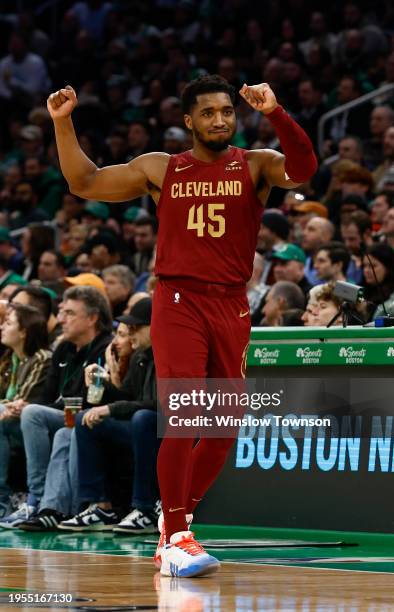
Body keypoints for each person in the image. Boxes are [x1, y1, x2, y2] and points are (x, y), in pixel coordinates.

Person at [47, 74, 317, 577]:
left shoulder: (254, 164)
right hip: (178, 299)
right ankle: (176, 535)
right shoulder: (162, 168)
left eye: (227, 112)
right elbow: (84, 182)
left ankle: (175, 527)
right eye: (209, 113)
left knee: (223, 428)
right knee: (188, 415)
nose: (220, 120)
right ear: (188, 121)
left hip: (232, 305)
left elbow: (303, 168)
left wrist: (276, 113)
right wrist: (63, 124)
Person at [0, 286, 112, 528]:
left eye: (70, 313)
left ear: (92, 318)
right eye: (61, 312)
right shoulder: (63, 348)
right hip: (63, 415)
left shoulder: (105, 348)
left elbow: (99, 397)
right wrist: (25, 404)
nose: (61, 319)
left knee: (54, 425)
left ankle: (38, 498)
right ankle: (35, 504)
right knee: (29, 412)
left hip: (94, 416)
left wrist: (31, 407)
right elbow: (47, 398)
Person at [58, 298, 161, 534]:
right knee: (87, 421)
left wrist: (111, 409)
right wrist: (103, 384)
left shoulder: (171, 357)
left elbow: (162, 404)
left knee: (142, 418)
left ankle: (145, 509)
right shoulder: (141, 357)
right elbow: (127, 396)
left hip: (176, 429)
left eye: (135, 328)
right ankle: (101, 507)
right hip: (141, 427)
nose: (130, 334)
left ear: (154, 327)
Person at [0, 304, 51, 519]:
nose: (2, 326)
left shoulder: (41, 358)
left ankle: (2, 499)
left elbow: (22, 401)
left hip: (34, 426)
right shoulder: (10, 360)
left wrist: (6, 405)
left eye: (9, 322)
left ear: (23, 332)